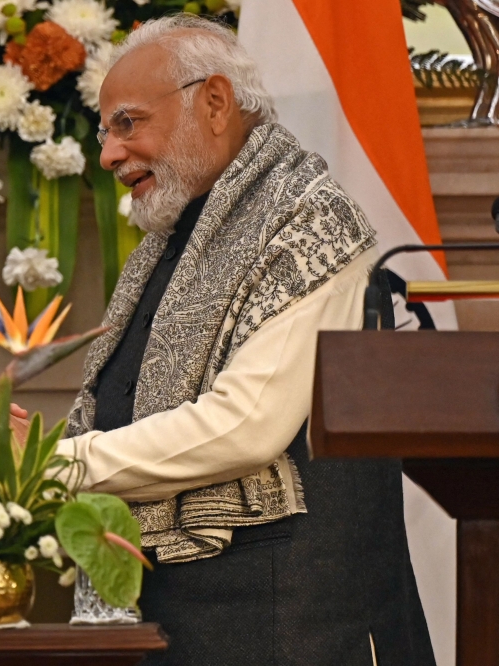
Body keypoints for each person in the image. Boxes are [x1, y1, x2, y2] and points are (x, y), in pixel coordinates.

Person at [57, 15, 436, 666]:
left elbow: (246, 425)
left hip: (287, 628)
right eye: (104, 133)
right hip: (175, 619)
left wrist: (62, 464)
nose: (109, 155)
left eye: (128, 123)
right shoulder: (174, 239)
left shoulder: (311, 220)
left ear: (214, 102)